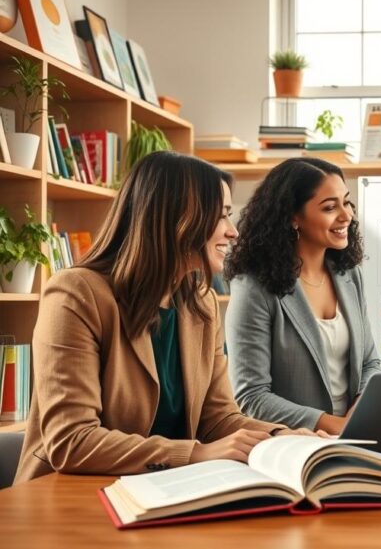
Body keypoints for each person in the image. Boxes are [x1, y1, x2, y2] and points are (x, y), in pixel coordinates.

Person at [15, 152, 316, 484]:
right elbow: (72, 441)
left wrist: (281, 438)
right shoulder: (76, 295)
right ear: (177, 219)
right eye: (222, 216)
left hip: (167, 492)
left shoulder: (202, 303)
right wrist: (197, 453)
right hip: (68, 500)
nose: (233, 232)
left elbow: (217, 419)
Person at [226, 158, 381, 434]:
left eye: (347, 202)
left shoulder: (348, 275)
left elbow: (370, 362)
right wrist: (335, 425)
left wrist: (363, 410)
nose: (346, 216)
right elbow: (252, 396)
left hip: (355, 437)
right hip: (294, 444)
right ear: (293, 217)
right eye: (330, 207)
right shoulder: (253, 287)